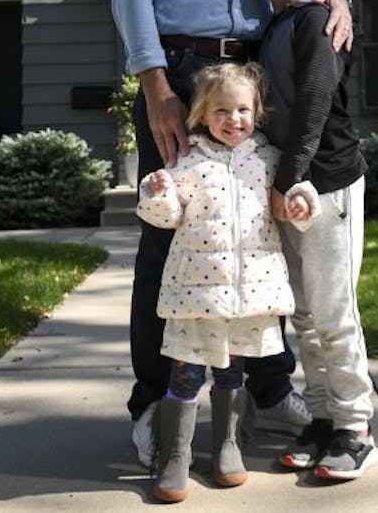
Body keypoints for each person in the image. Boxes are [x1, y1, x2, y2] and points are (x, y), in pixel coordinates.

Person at [110, 0, 353, 465]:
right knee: (169, 236)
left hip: (253, 71)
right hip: (181, 76)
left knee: (261, 232)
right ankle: (156, 403)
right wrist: (155, 82)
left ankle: (270, 397)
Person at [136, 62, 318, 502]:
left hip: (247, 294)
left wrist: (300, 202)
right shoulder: (187, 161)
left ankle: (227, 447)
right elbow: (166, 216)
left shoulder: (268, 159)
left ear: (256, 110)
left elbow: (287, 202)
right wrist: (157, 193)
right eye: (220, 111)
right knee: (185, 374)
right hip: (196, 295)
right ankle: (176, 455)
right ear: (201, 114)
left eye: (242, 109)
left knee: (231, 373)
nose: (233, 119)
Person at [251, 0, 378, 480]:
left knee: (333, 311)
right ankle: (323, 417)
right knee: (303, 315)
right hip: (289, 181)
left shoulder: (318, 19)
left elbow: (317, 99)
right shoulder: (274, 26)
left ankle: (356, 426)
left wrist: (290, 177)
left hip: (326, 180)